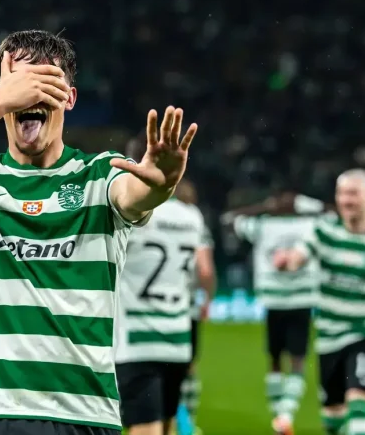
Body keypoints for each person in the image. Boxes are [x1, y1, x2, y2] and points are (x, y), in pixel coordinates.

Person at [0, 29, 198, 435]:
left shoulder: (100, 174)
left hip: (82, 412)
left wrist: (161, 186)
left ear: (69, 98)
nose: (31, 96)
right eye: (20, 83)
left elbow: (134, 195)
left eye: (45, 83)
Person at [274, 169, 365, 435]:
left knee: (360, 411)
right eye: (342, 193)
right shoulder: (324, 232)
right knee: (332, 420)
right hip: (328, 339)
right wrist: (287, 261)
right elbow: (298, 256)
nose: (346, 200)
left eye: (353, 193)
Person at [114, 136, 214, 435]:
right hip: (178, 339)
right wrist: (205, 300)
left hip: (136, 341)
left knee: (145, 428)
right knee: (167, 426)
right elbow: (204, 271)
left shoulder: (130, 213)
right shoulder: (191, 216)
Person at [222, 192, 326, 435]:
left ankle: (281, 413)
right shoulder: (312, 225)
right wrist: (313, 205)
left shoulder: (263, 225)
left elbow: (229, 220)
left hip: (277, 300)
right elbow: (337, 217)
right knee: (297, 362)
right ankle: (285, 415)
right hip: (300, 299)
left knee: (275, 361)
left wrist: (262, 206)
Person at [175, 180, 216, 435]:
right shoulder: (194, 221)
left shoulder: (148, 216)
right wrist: (207, 299)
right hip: (185, 307)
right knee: (188, 368)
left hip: (146, 307)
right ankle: (186, 424)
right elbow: (205, 270)